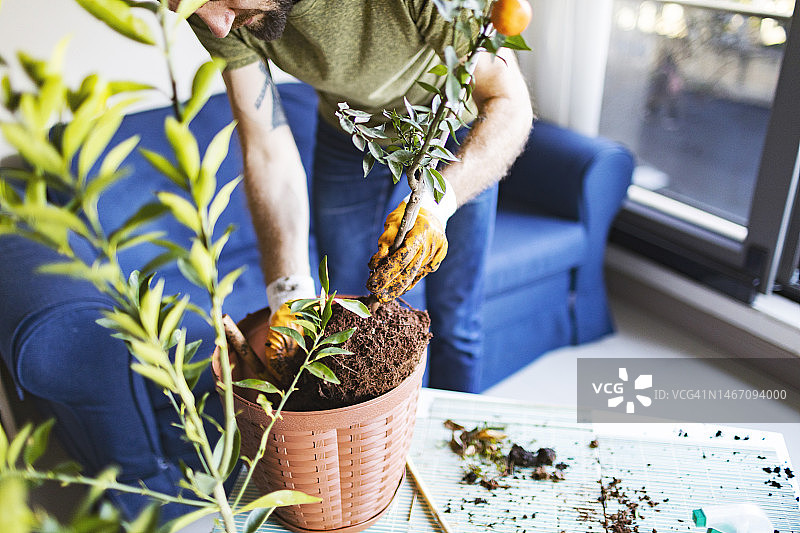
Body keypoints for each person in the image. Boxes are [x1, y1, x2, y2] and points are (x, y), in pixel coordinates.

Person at [171, 0, 533, 392]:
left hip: (456, 134)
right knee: (345, 332)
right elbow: (265, 146)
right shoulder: (213, 12)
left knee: (456, 322)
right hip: (351, 137)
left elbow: (508, 102)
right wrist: (288, 295)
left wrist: (436, 203)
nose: (217, 27)